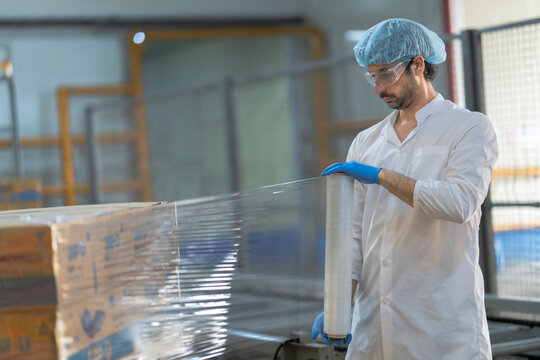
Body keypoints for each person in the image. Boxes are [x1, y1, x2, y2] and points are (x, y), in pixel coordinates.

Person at [312, 18, 497, 359]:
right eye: (373, 76)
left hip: (441, 326)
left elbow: (459, 203)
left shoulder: (468, 128)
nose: (379, 87)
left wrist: (382, 175)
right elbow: (354, 236)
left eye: (387, 74)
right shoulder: (366, 142)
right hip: (374, 326)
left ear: (418, 65)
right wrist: (339, 304)